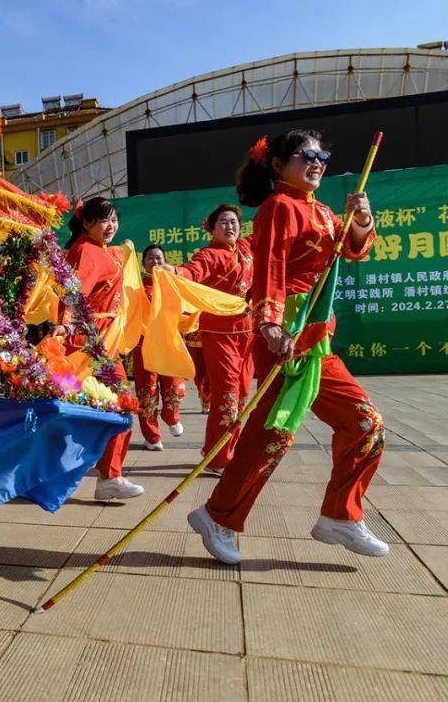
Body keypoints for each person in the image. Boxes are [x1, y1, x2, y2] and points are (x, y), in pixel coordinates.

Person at [188, 129, 387, 564]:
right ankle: (219, 516)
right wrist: (271, 324)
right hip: (287, 336)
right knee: (275, 432)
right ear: (279, 166)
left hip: (314, 337)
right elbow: (271, 265)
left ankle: (340, 516)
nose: (317, 162)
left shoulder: (320, 211)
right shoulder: (279, 207)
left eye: (322, 155)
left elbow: (352, 251)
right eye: (305, 156)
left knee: (361, 424)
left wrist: (361, 218)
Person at [61, 197, 144, 500]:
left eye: (114, 220)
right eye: (103, 220)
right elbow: (74, 293)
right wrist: (68, 325)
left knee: (105, 408)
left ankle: (109, 475)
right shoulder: (87, 251)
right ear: (86, 223)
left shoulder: (104, 251)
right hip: (91, 343)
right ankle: (109, 476)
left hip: (104, 342)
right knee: (118, 405)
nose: (111, 226)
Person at [168, 205, 254, 472]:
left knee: (242, 395)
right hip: (219, 333)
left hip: (247, 331)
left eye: (234, 222)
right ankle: (217, 458)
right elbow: (193, 271)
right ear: (213, 228)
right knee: (226, 394)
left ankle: (221, 449)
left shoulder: (246, 250)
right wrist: (176, 273)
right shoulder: (209, 255)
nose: (230, 227)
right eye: (224, 223)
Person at [132, 244, 186, 451]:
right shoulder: (136, 287)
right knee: (147, 391)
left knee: (174, 385)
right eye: (151, 259)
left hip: (168, 343)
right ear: (143, 263)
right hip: (144, 345)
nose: (156, 262)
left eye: (159, 259)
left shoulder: (172, 284)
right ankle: (152, 437)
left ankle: (171, 416)